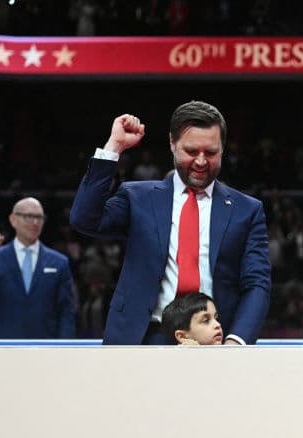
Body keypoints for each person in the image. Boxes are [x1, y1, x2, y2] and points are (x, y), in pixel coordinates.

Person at [69, 101, 271, 345]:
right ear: (172, 144)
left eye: (210, 152)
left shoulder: (247, 210)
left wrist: (236, 342)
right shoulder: (138, 198)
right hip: (142, 337)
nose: (200, 161)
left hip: (215, 344)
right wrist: (114, 147)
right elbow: (84, 219)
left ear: (222, 149)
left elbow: (257, 283)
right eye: (191, 151)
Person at [0, 197, 76, 339]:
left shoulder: (59, 262)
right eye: (28, 216)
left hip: (46, 345)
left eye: (39, 217)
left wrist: (65, 346)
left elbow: (67, 311)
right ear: (13, 219)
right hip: (2, 345)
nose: (35, 222)